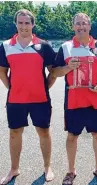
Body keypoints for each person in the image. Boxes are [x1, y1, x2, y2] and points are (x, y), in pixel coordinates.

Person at [52, 12, 97, 185]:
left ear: (89, 26)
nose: (81, 26)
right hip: (73, 100)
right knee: (72, 136)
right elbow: (54, 72)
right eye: (77, 23)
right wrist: (66, 68)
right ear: (73, 27)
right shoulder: (65, 47)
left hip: (95, 99)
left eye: (84, 23)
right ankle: (71, 171)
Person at [0, 9, 56, 184]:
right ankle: (14, 169)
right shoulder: (6, 45)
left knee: (44, 132)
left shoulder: (43, 46)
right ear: (16, 24)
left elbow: (53, 71)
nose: (24, 26)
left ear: (33, 24)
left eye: (27, 22)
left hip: (40, 99)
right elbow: (2, 71)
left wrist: (45, 87)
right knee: (15, 133)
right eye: (20, 22)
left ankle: (47, 167)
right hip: (16, 100)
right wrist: (12, 87)